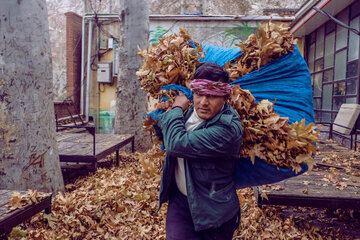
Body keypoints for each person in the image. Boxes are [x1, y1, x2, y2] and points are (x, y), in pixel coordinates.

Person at [155, 62, 242, 240]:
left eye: (212, 96)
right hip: (181, 203)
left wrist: (175, 109)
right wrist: (162, 114)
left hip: (214, 213)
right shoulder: (189, 113)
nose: (203, 102)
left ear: (225, 98)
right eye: (199, 94)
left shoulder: (228, 129)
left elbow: (177, 144)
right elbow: (164, 137)